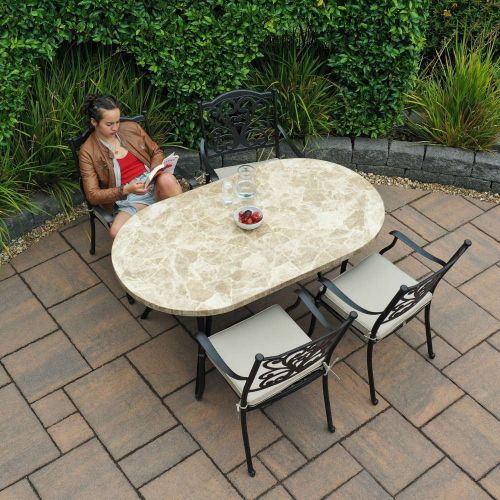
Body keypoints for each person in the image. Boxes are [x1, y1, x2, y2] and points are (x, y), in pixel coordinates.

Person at [79, 94, 182, 238]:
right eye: (109, 124)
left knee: (167, 180)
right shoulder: (87, 151)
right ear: (94, 122)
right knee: (116, 232)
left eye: (118, 121)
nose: (115, 128)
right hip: (131, 196)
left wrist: (154, 172)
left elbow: (156, 151)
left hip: (153, 181)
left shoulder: (132, 128)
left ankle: (181, 230)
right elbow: (92, 195)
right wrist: (125, 189)